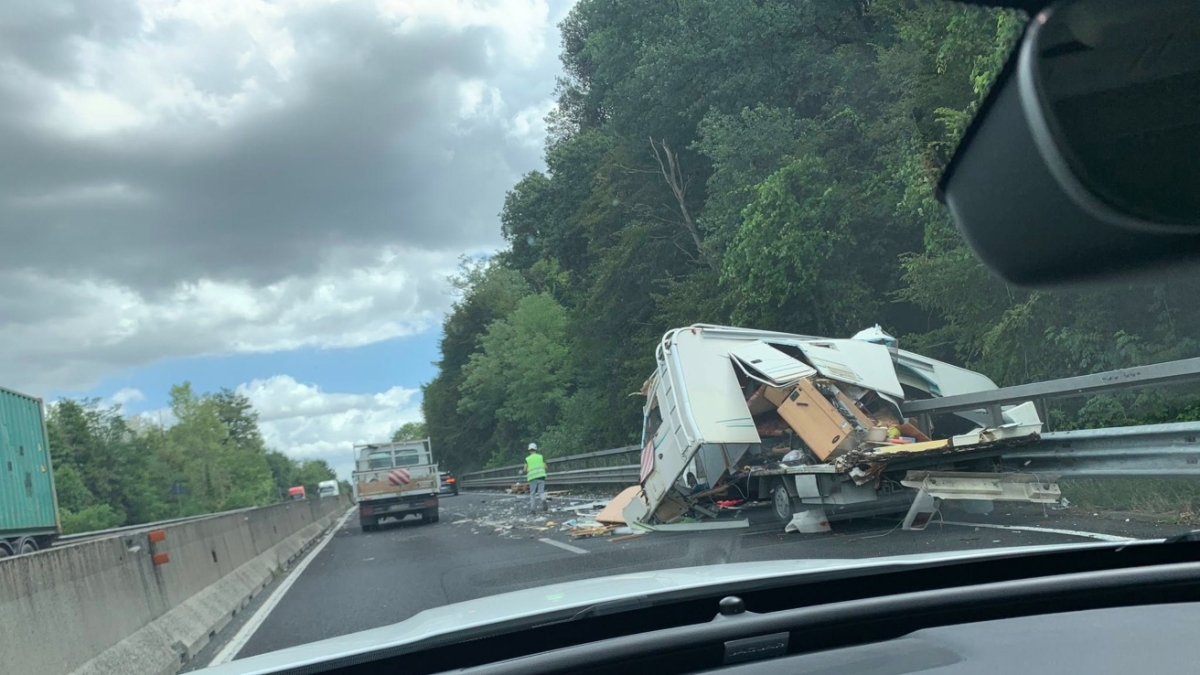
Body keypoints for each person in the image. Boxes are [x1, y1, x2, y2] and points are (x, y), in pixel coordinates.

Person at [522, 442, 547, 514]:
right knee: (541, 492)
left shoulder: (527, 459)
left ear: (529, 450)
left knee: (532, 493)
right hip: (541, 476)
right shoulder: (541, 457)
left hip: (532, 478)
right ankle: (543, 500)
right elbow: (545, 467)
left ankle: (532, 509)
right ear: (536, 449)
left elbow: (525, 469)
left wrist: (523, 471)